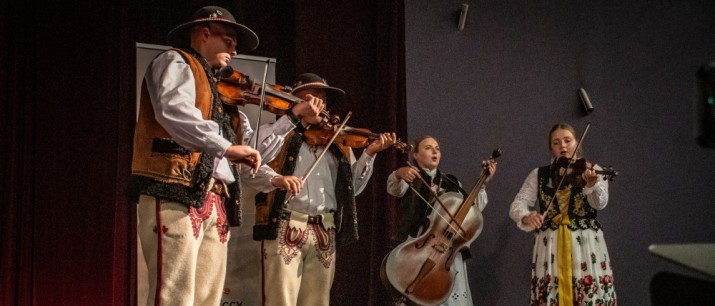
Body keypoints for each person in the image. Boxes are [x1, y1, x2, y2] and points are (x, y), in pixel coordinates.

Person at [127, 6, 321, 305]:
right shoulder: (175, 61)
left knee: (208, 298)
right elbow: (174, 112)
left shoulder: (224, 100)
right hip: (175, 188)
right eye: (229, 39)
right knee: (174, 294)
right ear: (205, 33)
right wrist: (227, 147)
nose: (234, 48)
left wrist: (291, 118)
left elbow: (255, 154)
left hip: (215, 198)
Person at [241, 73, 397, 306]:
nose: (318, 105)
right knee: (280, 300)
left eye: (321, 99)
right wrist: (277, 178)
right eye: (310, 98)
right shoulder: (277, 133)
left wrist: (369, 154)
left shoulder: (336, 142)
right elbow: (248, 169)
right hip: (286, 224)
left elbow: (351, 189)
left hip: (325, 229)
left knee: (318, 302)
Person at [508, 123, 617, 306]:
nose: (563, 146)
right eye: (556, 143)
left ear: (577, 143)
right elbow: (517, 205)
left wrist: (591, 185)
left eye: (568, 141)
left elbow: (600, 203)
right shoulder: (539, 174)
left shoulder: (592, 169)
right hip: (551, 243)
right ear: (551, 148)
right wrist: (527, 216)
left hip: (584, 243)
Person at [384, 136, 496, 306]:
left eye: (437, 148)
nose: (435, 151)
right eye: (428, 148)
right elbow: (394, 188)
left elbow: (472, 211)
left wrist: (482, 183)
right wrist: (399, 174)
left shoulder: (452, 182)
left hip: (447, 253)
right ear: (415, 154)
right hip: (418, 248)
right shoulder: (410, 177)